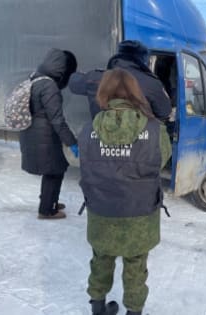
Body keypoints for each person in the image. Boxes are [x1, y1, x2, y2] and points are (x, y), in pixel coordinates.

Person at [78, 68, 171, 315]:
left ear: (104, 93)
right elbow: (161, 160)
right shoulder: (154, 130)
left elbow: (86, 163)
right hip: (140, 214)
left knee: (100, 261)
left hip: (101, 212)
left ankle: (97, 308)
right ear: (135, 93)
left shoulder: (88, 130)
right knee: (136, 266)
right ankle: (134, 311)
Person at [19, 48, 79, 220]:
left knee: (53, 168)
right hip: (44, 135)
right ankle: (46, 210)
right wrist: (71, 142)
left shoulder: (36, 77)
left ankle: (49, 200)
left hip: (35, 133)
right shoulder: (49, 86)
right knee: (54, 170)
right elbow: (57, 120)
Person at [69, 40, 172, 121]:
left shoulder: (94, 77)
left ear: (118, 55)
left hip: (102, 142)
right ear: (143, 60)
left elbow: (73, 84)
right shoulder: (152, 84)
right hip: (139, 143)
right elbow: (164, 112)